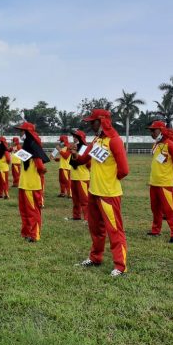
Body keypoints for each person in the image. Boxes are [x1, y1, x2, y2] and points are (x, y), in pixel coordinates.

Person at [72, 109, 129, 277]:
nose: (90, 124)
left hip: (109, 193)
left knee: (115, 230)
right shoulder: (97, 140)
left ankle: (120, 266)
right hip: (94, 191)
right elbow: (83, 160)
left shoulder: (115, 141)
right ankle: (95, 257)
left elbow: (124, 170)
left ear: (103, 121)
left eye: (93, 121)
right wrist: (75, 154)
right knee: (95, 228)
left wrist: (110, 180)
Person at [146, 121, 173, 242]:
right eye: (150, 131)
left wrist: (169, 176)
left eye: (153, 130)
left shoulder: (171, 145)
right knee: (155, 209)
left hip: (165, 184)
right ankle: (156, 230)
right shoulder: (156, 144)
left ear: (161, 130)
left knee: (170, 210)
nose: (151, 133)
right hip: (154, 183)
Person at [15, 122, 49, 242]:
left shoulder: (33, 145)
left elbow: (40, 165)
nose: (20, 133)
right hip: (24, 183)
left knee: (32, 211)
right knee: (24, 211)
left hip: (31, 185)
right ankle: (26, 233)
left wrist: (42, 171)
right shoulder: (27, 145)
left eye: (22, 131)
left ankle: (35, 235)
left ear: (27, 132)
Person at [67, 129, 90, 221]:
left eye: (76, 137)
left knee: (85, 200)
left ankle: (88, 218)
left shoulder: (85, 148)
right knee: (75, 199)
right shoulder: (74, 147)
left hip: (82, 177)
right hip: (74, 176)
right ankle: (76, 216)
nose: (74, 138)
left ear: (81, 138)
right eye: (73, 136)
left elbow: (85, 161)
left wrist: (74, 152)